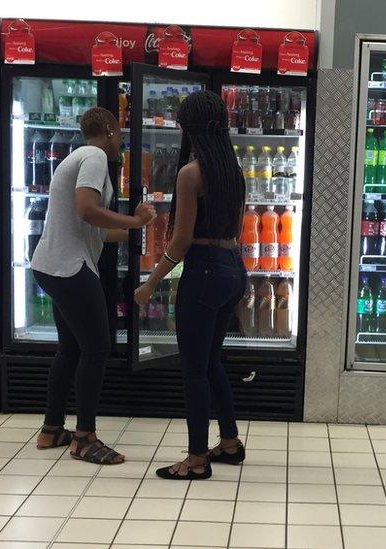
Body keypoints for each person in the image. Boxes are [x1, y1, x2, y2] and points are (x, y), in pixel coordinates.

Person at [31, 106, 155, 465]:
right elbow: (87, 209)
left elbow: (95, 228)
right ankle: (84, 438)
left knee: (70, 349)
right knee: (97, 348)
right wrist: (134, 220)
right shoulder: (96, 156)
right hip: (69, 267)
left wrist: (136, 228)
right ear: (112, 131)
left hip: (51, 264)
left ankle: (52, 429)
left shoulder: (78, 156)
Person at [135, 90, 247, 480]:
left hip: (203, 271)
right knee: (212, 361)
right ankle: (230, 443)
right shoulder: (232, 169)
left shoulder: (190, 173)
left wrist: (150, 282)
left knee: (195, 371)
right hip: (233, 266)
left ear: (189, 127)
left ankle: (197, 459)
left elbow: (181, 241)